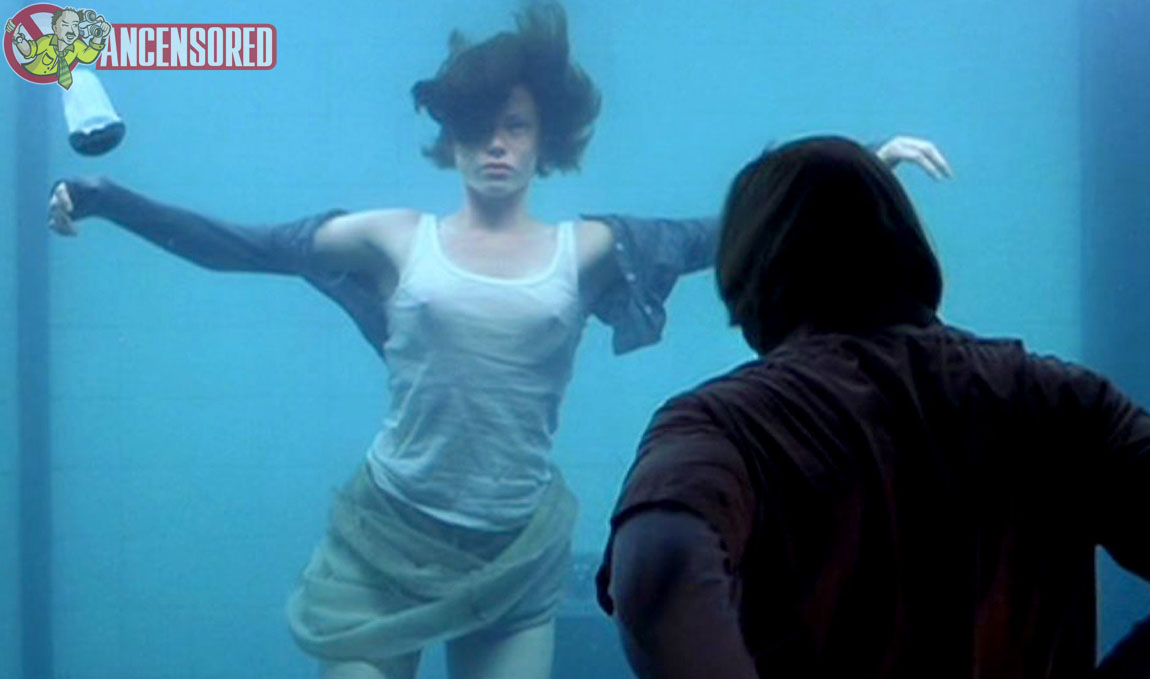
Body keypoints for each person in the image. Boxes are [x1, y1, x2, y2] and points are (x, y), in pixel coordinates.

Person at [47, 6, 950, 679]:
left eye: (514, 127)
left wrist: (863, 159)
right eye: (477, 128)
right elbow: (243, 246)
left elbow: (720, 231)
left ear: (543, 137)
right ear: (451, 140)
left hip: (512, 550)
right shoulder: (393, 239)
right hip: (383, 539)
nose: (495, 146)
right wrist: (108, 198)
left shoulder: (586, 251)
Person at [595, 135, 1150, 678]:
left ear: (747, 271)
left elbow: (656, 578)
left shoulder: (726, 425)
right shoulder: (1062, 400)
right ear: (908, 245)